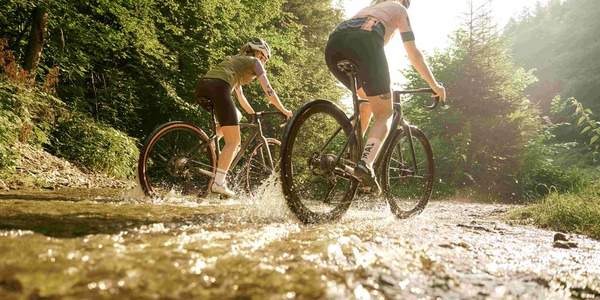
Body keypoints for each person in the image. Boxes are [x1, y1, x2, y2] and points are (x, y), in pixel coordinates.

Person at [325, 0, 446, 195]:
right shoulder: (399, 9)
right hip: (365, 42)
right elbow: (413, 53)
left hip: (334, 44)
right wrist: (435, 86)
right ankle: (366, 164)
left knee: (366, 103)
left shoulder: (368, 9)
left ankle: (350, 156)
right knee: (385, 114)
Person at [195, 38, 293, 197]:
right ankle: (218, 183)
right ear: (260, 53)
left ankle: (212, 143)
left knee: (237, 115)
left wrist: (253, 114)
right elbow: (269, 91)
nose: (264, 62)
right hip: (220, 87)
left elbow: (240, 96)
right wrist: (284, 110)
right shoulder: (255, 62)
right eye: (265, 58)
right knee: (234, 142)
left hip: (203, 87)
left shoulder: (236, 61)